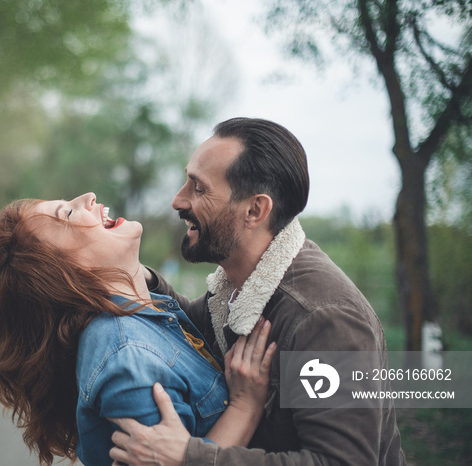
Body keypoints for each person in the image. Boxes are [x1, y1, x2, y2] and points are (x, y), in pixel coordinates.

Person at [109, 117, 407, 465]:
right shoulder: (240, 288)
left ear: (255, 210)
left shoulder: (324, 319)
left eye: (199, 188)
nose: (178, 201)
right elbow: (192, 325)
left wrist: (191, 457)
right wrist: (129, 272)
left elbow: (341, 461)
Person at [0, 193, 277, 466]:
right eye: (67, 213)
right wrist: (244, 407)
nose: (88, 197)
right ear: (62, 271)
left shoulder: (151, 308)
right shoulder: (129, 361)